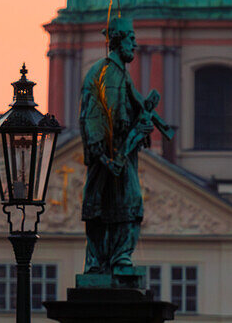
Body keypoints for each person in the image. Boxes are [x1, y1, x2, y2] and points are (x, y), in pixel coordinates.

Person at [79, 17, 156, 275]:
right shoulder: (107, 72)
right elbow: (95, 116)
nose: (135, 43)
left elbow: (126, 110)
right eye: (130, 38)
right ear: (118, 40)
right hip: (111, 156)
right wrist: (105, 156)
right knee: (122, 206)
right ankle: (112, 260)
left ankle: (109, 260)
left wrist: (141, 122)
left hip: (118, 154)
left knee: (117, 208)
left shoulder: (118, 72)